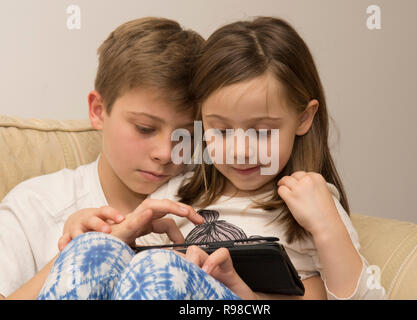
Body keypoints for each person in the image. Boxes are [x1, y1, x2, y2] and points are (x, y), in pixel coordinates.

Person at [46, 17, 387, 300]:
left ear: (302, 118)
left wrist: (326, 227)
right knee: (94, 250)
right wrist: (102, 237)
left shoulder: (311, 202)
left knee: (160, 270)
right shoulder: (178, 194)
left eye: (261, 131)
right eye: (220, 132)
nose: (239, 150)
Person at [0, 17, 205, 299]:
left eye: (186, 136)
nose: (166, 154)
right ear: (98, 110)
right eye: (145, 128)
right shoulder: (35, 208)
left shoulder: (215, 196)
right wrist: (77, 254)